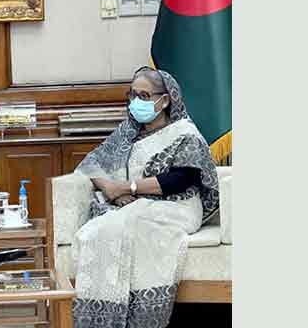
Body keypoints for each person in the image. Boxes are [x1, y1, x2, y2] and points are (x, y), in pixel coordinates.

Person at [71, 66, 219, 328]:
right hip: (136, 204)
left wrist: (128, 188)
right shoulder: (128, 132)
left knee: (123, 228)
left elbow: (181, 179)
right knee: (95, 233)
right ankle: (102, 317)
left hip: (177, 206)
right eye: (133, 95)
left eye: (144, 95)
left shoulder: (184, 133)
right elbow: (92, 164)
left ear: (165, 100)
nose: (136, 102)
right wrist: (110, 190)